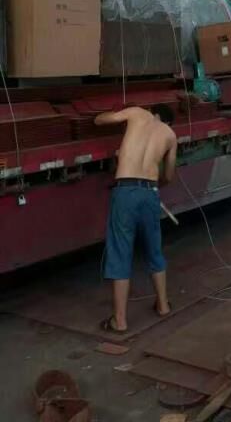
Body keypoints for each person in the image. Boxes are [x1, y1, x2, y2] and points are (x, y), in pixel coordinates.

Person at [94, 104, 178, 334]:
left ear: (154, 112)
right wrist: (151, 185)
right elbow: (168, 176)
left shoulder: (137, 113)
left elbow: (104, 119)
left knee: (121, 252)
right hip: (150, 192)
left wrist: (98, 116)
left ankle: (119, 321)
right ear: (166, 120)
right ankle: (163, 306)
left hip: (125, 190)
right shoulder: (170, 135)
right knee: (154, 249)